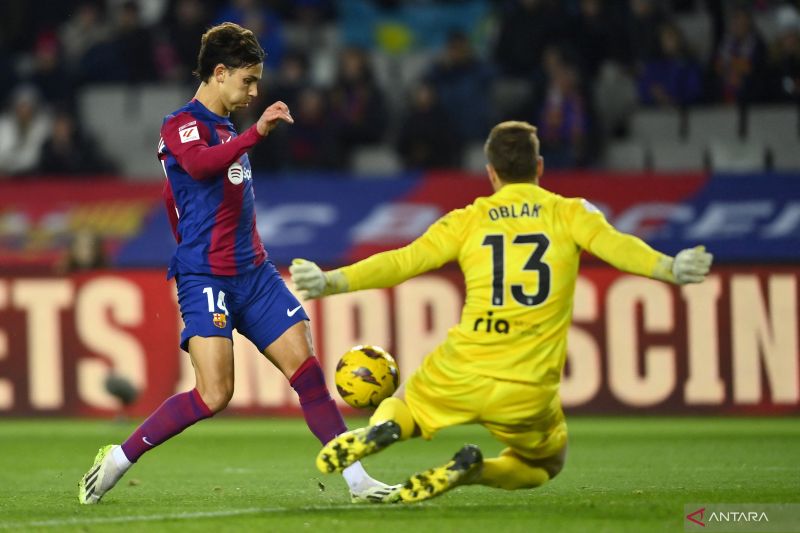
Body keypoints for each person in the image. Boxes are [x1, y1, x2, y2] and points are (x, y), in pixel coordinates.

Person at [290, 120, 713, 503]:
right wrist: (671, 268)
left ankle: (387, 428)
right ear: (540, 167)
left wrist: (332, 281)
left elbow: (402, 261)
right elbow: (621, 248)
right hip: (528, 385)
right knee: (543, 464)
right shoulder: (570, 213)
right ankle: (475, 471)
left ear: (491, 171)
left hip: (462, 368)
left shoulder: (469, 219)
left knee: (405, 402)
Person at [77, 22, 394, 505]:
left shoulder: (227, 129)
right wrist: (256, 134)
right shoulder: (181, 124)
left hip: (255, 274)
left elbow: (182, 194)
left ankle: (357, 482)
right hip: (205, 277)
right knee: (214, 394)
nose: (254, 90)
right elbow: (202, 165)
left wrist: (242, 142)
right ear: (219, 73)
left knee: (307, 373)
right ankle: (118, 459)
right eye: (248, 80)